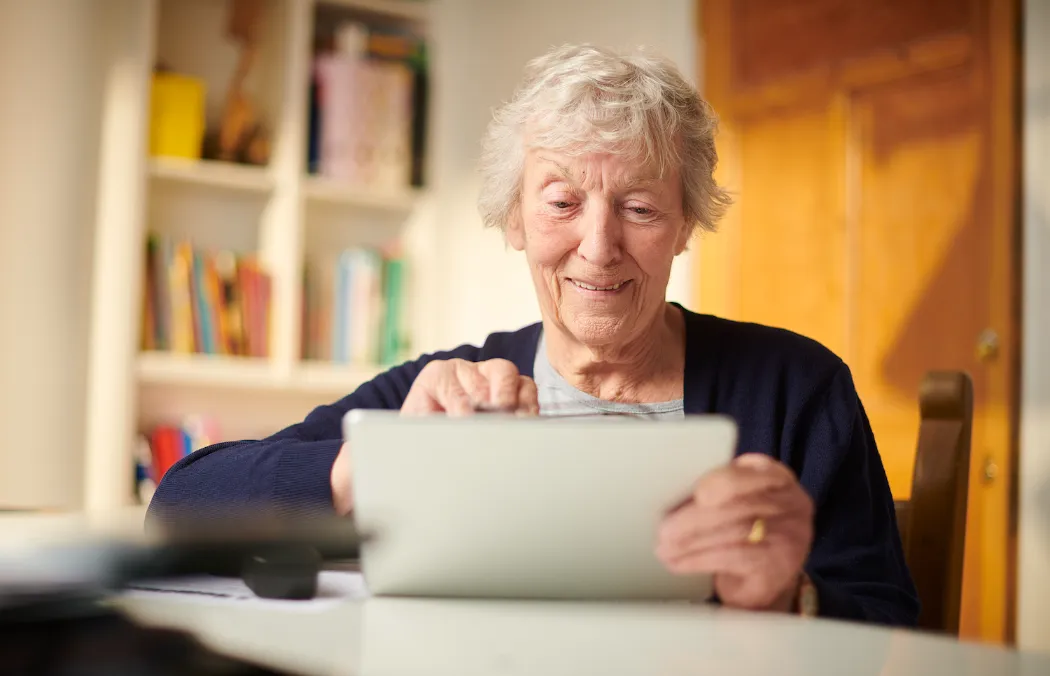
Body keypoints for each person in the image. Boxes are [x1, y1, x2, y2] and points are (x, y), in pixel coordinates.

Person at [148, 44, 918, 625]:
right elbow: (178, 507)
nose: (598, 245)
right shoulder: (445, 393)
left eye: (641, 208)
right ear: (514, 219)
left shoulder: (797, 387)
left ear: (685, 224)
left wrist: (786, 595)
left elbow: (893, 630)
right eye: (561, 202)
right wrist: (375, 462)